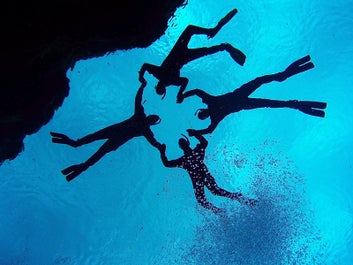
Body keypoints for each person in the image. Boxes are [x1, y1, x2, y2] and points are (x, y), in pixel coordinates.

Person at [182, 55, 327, 135]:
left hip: (241, 97)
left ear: (202, 111)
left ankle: (285, 83)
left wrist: (183, 94)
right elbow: (209, 129)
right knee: (268, 97)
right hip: (243, 101)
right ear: (205, 114)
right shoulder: (213, 111)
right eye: (203, 115)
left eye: (202, 114)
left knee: (262, 85)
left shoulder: (211, 103)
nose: (204, 114)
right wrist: (195, 132)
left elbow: (196, 92)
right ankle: (292, 100)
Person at [50, 81, 162, 182]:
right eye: (153, 117)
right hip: (114, 134)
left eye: (153, 119)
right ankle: (77, 154)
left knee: (98, 151)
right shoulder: (141, 119)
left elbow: (153, 141)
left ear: (152, 122)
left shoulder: (144, 126)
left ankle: (81, 164)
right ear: (150, 117)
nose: (151, 119)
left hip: (115, 136)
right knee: (92, 144)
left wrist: (160, 147)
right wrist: (142, 87)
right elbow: (138, 100)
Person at [139, 8, 246, 103]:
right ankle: (221, 44)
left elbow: (145, 66)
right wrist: (180, 93)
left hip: (179, 52)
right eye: (161, 88)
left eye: (158, 87)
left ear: (157, 85)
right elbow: (184, 81)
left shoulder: (162, 75)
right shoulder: (163, 77)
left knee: (194, 36)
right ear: (163, 89)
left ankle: (220, 41)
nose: (161, 85)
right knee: (199, 42)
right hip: (182, 56)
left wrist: (142, 77)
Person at [158, 130, 257, 214]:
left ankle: (222, 210)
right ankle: (227, 207)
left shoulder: (184, 160)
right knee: (212, 193)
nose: (183, 145)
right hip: (203, 176)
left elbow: (167, 163)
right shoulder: (196, 152)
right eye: (182, 143)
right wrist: (195, 133)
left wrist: (162, 151)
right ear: (187, 144)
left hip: (198, 179)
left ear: (182, 146)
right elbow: (204, 142)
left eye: (182, 143)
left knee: (207, 197)